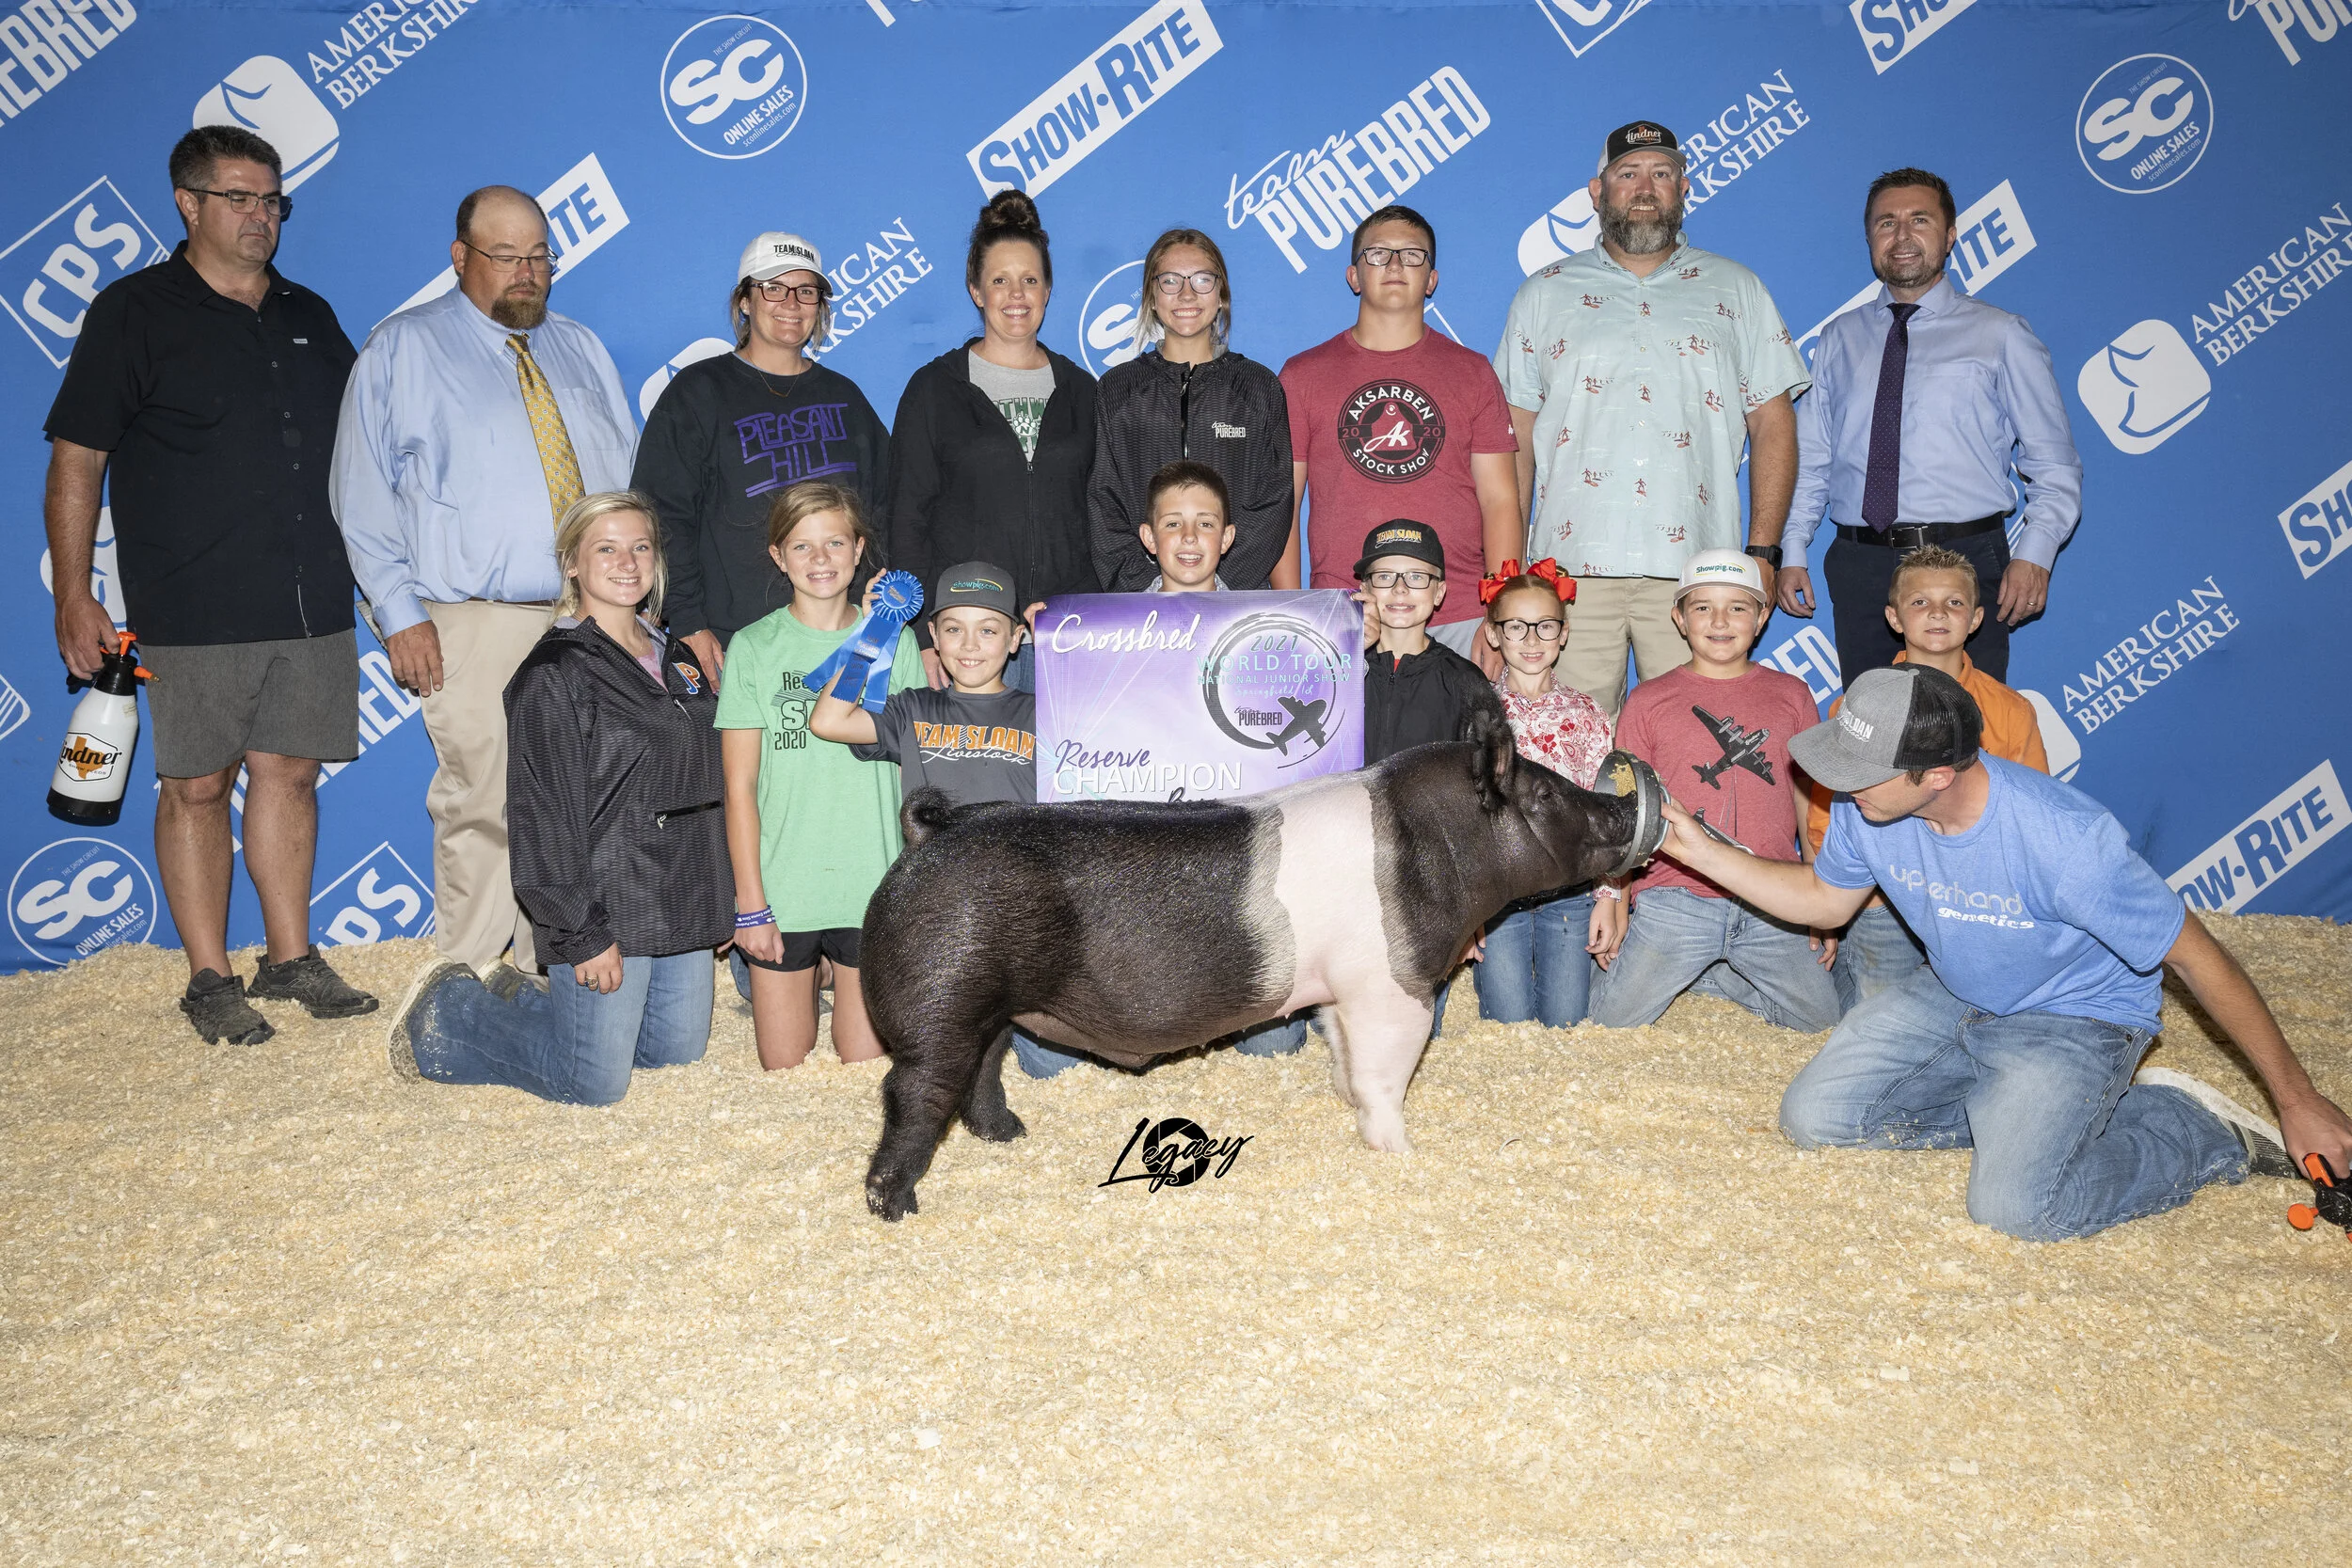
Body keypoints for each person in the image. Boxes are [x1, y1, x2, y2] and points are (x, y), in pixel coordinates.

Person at [1661, 662, 2352, 1242]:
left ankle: (2194, 1128)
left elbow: (2200, 957)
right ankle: (2019, 1111)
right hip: (1953, 989)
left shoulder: (2067, 840)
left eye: (1861, 770)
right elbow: (1824, 900)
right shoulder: (1864, 806)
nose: (1839, 783)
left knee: (2018, 1208)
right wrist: (1701, 850)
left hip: (2075, 1016)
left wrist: (2298, 1099)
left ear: (1937, 774)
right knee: (1815, 1119)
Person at [42, 124, 375, 1045]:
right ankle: (208, 975)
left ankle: (290, 957)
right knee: (195, 786)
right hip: (190, 602)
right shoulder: (133, 312)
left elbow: (366, 445)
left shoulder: (309, 311)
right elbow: (77, 460)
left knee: (291, 774)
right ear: (187, 204)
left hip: (312, 596)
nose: (261, 216)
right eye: (239, 198)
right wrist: (73, 592)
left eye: (272, 200)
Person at [332, 185, 637, 977]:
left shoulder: (579, 347)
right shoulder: (402, 348)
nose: (527, 272)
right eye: (506, 256)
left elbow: (625, 478)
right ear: (460, 257)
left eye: (539, 256)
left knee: (588, 802)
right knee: (489, 804)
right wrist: (399, 611)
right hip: (476, 616)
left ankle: (555, 979)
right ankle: (464, 987)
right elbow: (360, 492)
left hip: (591, 617)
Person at [388, 493, 730, 1101]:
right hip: (609, 903)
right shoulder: (555, 671)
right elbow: (541, 818)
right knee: (592, 1083)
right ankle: (451, 1008)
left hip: (680, 901)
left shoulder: (678, 657)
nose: (626, 562)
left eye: (640, 546)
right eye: (606, 548)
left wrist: (720, 899)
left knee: (674, 1059)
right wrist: (582, 934)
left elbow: (706, 789)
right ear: (572, 563)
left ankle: (519, 996)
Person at [1495, 121, 1809, 718]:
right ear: (1597, 191)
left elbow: (1774, 424)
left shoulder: (1738, 289)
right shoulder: (1544, 293)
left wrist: (1763, 553)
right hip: (1569, 572)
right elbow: (1515, 437)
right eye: (1628, 173)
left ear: (1683, 188)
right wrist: (1511, 574)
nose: (1645, 187)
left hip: (1700, 571)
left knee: (1697, 748)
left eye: (1662, 173)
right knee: (1569, 755)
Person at [1779, 168, 2082, 683]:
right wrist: (1792, 548)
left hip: (1967, 560)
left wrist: (2036, 554)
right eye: (1886, 223)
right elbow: (1812, 459)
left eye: (1919, 220)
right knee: (1870, 726)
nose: (1902, 236)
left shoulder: (2001, 334)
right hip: (1861, 564)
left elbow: (2054, 463)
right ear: (1869, 238)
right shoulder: (1839, 338)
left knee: (1963, 723)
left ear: (1951, 235)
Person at [716, 482, 923, 1070]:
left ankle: (833, 973)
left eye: (835, 542)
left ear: (859, 550)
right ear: (778, 557)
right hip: (787, 886)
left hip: (872, 884)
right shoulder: (753, 647)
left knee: (862, 1067)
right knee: (784, 1067)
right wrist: (752, 903)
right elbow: (739, 788)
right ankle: (812, 973)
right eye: (801, 546)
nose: (820, 559)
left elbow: (918, 770)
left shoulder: (897, 638)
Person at [1592, 550, 1839, 1033]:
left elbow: (1809, 801)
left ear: (1762, 618)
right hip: (1675, 897)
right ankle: (1704, 970)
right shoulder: (1647, 701)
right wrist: (1615, 898)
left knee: (1822, 1025)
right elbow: (1625, 812)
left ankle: (1709, 978)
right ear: (1679, 619)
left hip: (1774, 897)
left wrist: (1818, 897)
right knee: (1609, 1026)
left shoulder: (1794, 695)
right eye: (1702, 607)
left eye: (1738, 608)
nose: (1720, 621)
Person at [631, 232, 891, 687]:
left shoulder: (845, 397)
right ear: (744, 300)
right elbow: (661, 514)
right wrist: (688, 620)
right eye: (774, 287)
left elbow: (883, 509)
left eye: (806, 290)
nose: (791, 303)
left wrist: (879, 620)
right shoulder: (698, 393)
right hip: (736, 643)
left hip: (843, 640)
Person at [1804, 546, 2049, 1008]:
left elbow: (2033, 818)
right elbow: (1827, 812)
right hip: (1883, 902)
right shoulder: (1857, 706)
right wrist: (1828, 896)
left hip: (1978, 903)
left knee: (1984, 1011)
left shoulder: (2011, 712)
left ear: (1976, 619)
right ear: (1894, 618)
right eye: (1920, 602)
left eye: (1954, 602)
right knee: (1881, 1015)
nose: (1938, 613)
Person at [1281, 205, 1519, 668]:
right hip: (1345, 611)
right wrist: (1295, 611)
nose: (1394, 265)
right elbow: (1282, 505)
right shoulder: (1302, 376)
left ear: (1431, 279)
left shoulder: (1472, 373)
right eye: (1378, 254)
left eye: (1412, 255)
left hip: (1460, 613)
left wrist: (1499, 614)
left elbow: (1500, 500)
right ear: (1354, 275)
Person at [882, 191, 1098, 693]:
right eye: (1000, 280)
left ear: (1048, 290)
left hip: (1066, 636)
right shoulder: (934, 390)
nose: (1016, 294)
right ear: (976, 291)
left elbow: (1104, 512)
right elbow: (907, 518)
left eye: (1030, 280)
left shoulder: (1084, 391)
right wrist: (924, 634)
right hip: (970, 642)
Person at [1089, 228, 1294, 592]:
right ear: (1152, 296)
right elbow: (1104, 503)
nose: (1186, 294)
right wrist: (1148, 589)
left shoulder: (1257, 387)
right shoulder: (1117, 390)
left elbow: (1273, 502)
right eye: (1170, 281)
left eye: (1202, 280)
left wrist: (1217, 586)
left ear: (1221, 295)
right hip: (1142, 606)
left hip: (1235, 599)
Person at [1473, 559, 1620, 1028]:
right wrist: (1469, 909)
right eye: (1516, 627)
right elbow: (1466, 815)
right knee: (1508, 1024)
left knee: (1565, 1023)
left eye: (1545, 626)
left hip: (1569, 894)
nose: (1532, 640)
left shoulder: (1588, 713)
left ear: (1564, 633)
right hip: (1499, 897)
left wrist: (1608, 895)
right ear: (1494, 633)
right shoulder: (1477, 715)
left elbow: (1606, 811)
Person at [1356, 519, 1506, 763]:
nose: (1400, 588)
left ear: (1439, 593)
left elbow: (1490, 770)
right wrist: (1349, 657)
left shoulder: (1465, 681)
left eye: (1416, 576)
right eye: (1384, 576)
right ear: (1364, 590)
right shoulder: (1337, 670)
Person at [1138, 458, 1232, 593]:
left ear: (1226, 539)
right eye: (1173, 524)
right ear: (1150, 538)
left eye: (1205, 524)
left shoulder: (1252, 606)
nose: (1189, 536)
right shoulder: (1121, 608)